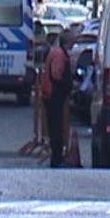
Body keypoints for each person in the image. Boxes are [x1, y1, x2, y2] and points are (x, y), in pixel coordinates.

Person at [41, 29, 75, 168]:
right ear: (68, 42)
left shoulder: (56, 52)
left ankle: (57, 158)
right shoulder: (60, 55)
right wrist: (66, 85)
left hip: (52, 95)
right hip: (54, 95)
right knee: (56, 128)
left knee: (55, 128)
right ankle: (57, 159)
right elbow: (56, 74)